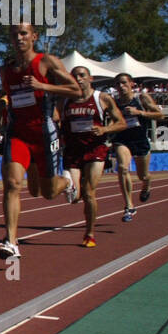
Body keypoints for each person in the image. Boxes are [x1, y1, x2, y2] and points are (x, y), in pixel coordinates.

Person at [0, 22, 80, 258]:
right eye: (14, 35)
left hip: (43, 133)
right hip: (17, 133)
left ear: (34, 36)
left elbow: (76, 91)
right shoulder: (5, 70)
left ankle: (67, 182)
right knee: (12, 184)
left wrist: (43, 85)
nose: (18, 38)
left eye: (23, 33)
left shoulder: (46, 62)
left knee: (47, 193)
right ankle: (11, 241)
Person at [62, 67, 125, 246]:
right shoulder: (65, 100)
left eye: (82, 75)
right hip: (73, 151)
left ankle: (89, 233)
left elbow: (122, 122)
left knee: (89, 193)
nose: (78, 79)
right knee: (73, 197)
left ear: (91, 78)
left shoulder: (102, 98)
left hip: (95, 150)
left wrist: (104, 129)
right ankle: (75, 186)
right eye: (74, 76)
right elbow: (55, 120)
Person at [110, 73, 163, 222]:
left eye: (123, 83)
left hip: (140, 141)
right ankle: (129, 206)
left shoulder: (141, 98)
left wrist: (138, 112)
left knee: (143, 176)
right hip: (122, 140)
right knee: (123, 168)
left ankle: (146, 185)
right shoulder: (114, 102)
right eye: (117, 84)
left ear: (131, 84)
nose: (121, 86)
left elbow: (160, 115)